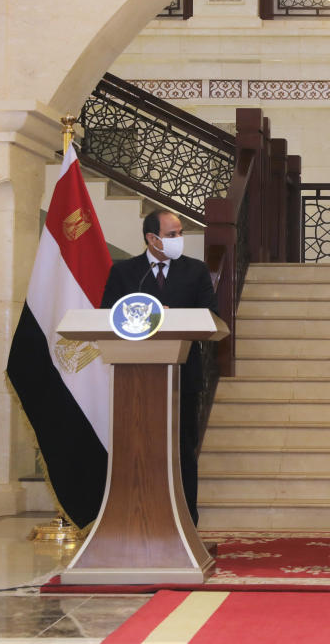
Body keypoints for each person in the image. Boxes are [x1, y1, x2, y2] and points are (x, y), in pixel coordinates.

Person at [101, 208, 218, 526]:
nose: (179, 239)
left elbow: (211, 316)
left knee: (182, 449)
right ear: (152, 239)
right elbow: (107, 314)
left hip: (182, 376)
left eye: (180, 233)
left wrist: (172, 315)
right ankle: (135, 520)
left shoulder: (195, 270)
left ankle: (186, 523)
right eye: (172, 234)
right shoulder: (125, 272)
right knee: (137, 448)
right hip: (135, 379)